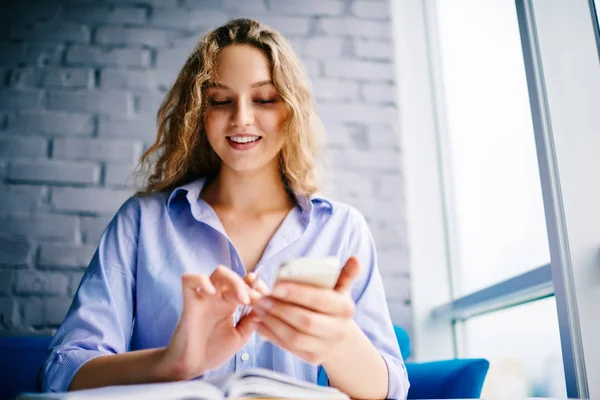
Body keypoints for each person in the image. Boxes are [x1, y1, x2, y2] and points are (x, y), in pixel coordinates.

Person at [39, 18, 409, 400]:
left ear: (292, 110)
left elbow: (393, 390)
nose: (242, 118)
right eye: (219, 101)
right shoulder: (141, 223)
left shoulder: (342, 229)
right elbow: (62, 371)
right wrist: (172, 363)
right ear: (199, 113)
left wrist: (336, 339)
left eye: (264, 99)